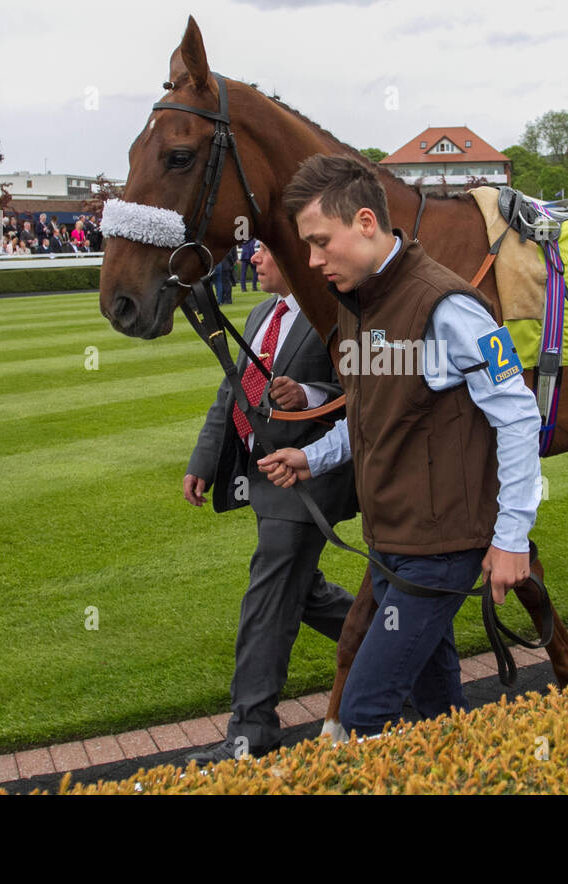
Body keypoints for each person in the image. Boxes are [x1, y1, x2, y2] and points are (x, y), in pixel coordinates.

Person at [259, 154, 541, 740]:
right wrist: (313, 457)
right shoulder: (360, 302)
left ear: (365, 222)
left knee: (364, 713)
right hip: (393, 543)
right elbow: (377, 417)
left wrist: (512, 538)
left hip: (438, 548)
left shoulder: (449, 305)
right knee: (438, 714)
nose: (311, 261)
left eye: (319, 242)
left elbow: (517, 415)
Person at [183, 241, 356, 764]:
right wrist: (203, 462)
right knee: (301, 594)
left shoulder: (333, 312)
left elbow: (359, 390)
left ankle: (250, 733)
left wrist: (307, 395)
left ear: (291, 254)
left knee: (269, 595)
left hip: (310, 479)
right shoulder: (262, 312)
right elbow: (230, 392)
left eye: (262, 250)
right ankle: (404, 645)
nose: (252, 260)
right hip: (263, 477)